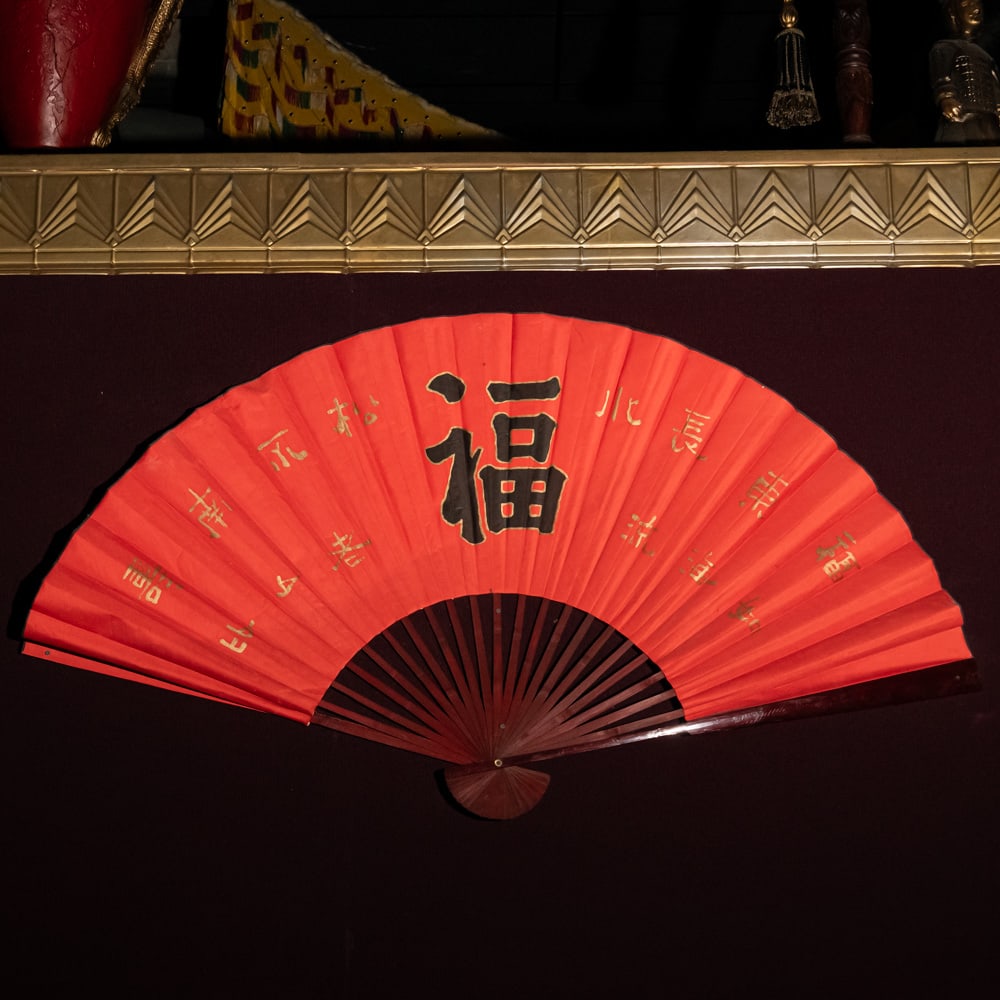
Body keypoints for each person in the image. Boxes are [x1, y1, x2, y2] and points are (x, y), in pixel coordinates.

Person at [930, 0, 1000, 143]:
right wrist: (946, 98)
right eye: (968, 4)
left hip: (989, 120)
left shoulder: (986, 56)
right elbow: (942, 75)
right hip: (962, 116)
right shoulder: (945, 47)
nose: (976, 9)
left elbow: (995, 86)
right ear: (952, 13)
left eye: (978, 4)